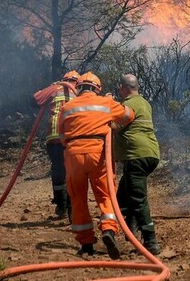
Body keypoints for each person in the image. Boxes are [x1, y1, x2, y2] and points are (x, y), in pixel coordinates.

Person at [60, 71, 135, 259]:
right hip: (98, 152)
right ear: (97, 89)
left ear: (78, 88)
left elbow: (61, 136)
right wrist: (111, 108)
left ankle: (86, 244)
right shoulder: (105, 103)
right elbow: (129, 115)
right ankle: (108, 230)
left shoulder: (66, 107)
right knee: (105, 194)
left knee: (77, 198)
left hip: (73, 154)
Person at [113, 73, 163, 255]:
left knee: (138, 199)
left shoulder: (128, 105)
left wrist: (104, 111)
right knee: (122, 195)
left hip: (136, 156)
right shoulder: (145, 103)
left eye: (120, 88)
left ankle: (150, 241)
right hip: (151, 154)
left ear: (124, 88)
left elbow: (114, 127)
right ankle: (131, 226)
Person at [33, 70, 79, 219]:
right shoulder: (80, 92)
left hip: (55, 138)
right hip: (73, 138)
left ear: (64, 79)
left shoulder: (55, 88)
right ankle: (73, 210)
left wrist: (45, 90)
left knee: (58, 171)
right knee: (72, 173)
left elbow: (35, 99)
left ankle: (61, 206)